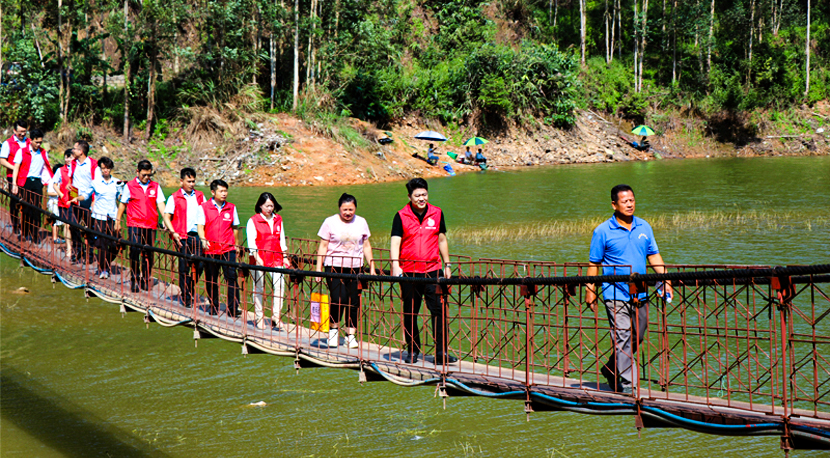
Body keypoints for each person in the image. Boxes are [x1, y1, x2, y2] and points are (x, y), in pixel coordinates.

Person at [585, 184, 672, 394]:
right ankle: (631, 386)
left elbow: (653, 256)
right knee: (622, 336)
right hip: (615, 293)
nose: (629, 204)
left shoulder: (644, 227)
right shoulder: (602, 231)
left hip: (640, 292)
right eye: (624, 201)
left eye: (632, 200)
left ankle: (610, 368)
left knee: (637, 336)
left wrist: (666, 279)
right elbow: (594, 263)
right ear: (614, 204)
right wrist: (590, 289)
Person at [390, 178, 456, 365]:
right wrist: (395, 264)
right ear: (409, 196)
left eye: (424, 195)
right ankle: (412, 350)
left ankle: (441, 352)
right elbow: (395, 241)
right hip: (409, 272)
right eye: (417, 195)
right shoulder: (401, 215)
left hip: (433, 271)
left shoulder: (437, 213)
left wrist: (448, 264)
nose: (421, 198)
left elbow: (441, 240)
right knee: (410, 313)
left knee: (439, 311)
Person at [314, 193, 375, 348]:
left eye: (351, 209)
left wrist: (372, 267)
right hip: (334, 266)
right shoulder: (330, 222)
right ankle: (333, 332)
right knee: (338, 298)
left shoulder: (361, 222)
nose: (348, 213)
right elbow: (323, 245)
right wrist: (318, 268)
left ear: (355, 208)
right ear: (339, 208)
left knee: (353, 302)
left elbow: (366, 246)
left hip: (356, 267)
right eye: (345, 209)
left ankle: (350, 335)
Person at [116, 160, 166, 292]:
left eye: (149, 175)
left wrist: (165, 219)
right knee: (134, 252)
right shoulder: (130, 186)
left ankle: (145, 278)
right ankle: (134, 278)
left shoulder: (155, 186)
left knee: (148, 253)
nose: (146, 178)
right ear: (137, 172)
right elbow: (122, 204)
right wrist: (117, 221)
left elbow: (161, 204)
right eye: (144, 175)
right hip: (135, 224)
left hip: (150, 225)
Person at [196, 179, 241, 318]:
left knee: (232, 278)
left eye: (225, 191)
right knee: (211, 279)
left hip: (228, 248)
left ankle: (233, 307)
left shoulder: (231, 208)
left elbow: (235, 228)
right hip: (211, 249)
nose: (224, 194)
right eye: (221, 191)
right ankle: (214, 305)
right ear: (213, 192)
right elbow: (200, 227)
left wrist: (237, 245)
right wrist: (203, 240)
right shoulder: (204, 207)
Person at [162, 168, 206, 308]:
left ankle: (189, 287)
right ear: (181, 181)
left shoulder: (200, 196)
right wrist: (173, 232)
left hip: (198, 235)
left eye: (193, 181)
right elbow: (167, 216)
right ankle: (186, 296)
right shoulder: (174, 197)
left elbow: (206, 212)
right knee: (184, 266)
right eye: (189, 181)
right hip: (182, 236)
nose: (192, 184)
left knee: (200, 265)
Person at [246, 192, 290, 329]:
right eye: (267, 206)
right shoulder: (253, 221)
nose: (270, 209)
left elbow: (281, 238)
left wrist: (285, 256)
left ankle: (276, 316)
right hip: (259, 257)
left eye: (272, 205)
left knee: (280, 285)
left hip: (276, 256)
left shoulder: (278, 219)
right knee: (259, 287)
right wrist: (257, 258)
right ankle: (259, 317)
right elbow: (251, 242)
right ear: (260, 205)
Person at [11, 129, 54, 242]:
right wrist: (14, 184)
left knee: (36, 209)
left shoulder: (43, 152)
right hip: (25, 181)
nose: (38, 144)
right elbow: (16, 167)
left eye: (40, 142)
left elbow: (47, 167)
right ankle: (25, 232)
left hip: (37, 182)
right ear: (31, 140)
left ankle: (35, 234)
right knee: (25, 208)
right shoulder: (22, 151)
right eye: (36, 142)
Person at [67, 140, 99, 264]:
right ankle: (78, 250)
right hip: (75, 197)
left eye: (74, 149)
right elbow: (71, 177)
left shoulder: (92, 164)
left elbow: (96, 184)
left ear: (81, 152)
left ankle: (90, 254)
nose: (72, 150)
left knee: (89, 228)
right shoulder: (73, 163)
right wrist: (69, 184)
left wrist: (94, 201)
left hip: (87, 199)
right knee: (72, 225)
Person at [88, 157, 120, 279]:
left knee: (115, 243)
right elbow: (86, 194)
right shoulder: (95, 182)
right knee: (101, 244)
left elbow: (120, 198)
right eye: (103, 168)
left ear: (111, 169)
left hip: (112, 216)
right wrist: (76, 197)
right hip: (99, 216)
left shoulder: (116, 183)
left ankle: (106, 262)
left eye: (107, 168)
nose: (105, 171)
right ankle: (103, 269)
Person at [1, 120, 29, 233]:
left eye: (24, 131)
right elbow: (2, 160)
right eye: (20, 132)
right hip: (13, 175)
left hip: (26, 176)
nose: (22, 134)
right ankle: (15, 224)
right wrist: (15, 169)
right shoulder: (8, 143)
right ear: (14, 130)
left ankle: (26, 226)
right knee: (15, 199)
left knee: (27, 200)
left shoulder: (29, 142)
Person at [50, 149, 76, 257]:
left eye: (71, 157)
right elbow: (55, 184)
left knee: (73, 225)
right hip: (63, 201)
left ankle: (75, 247)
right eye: (67, 157)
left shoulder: (77, 170)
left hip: (74, 201)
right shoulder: (60, 170)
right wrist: (61, 194)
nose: (68, 159)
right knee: (66, 225)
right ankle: (69, 248)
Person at [46, 162, 65, 244]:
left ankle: (56, 236)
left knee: (58, 221)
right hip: (53, 203)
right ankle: (55, 238)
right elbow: (49, 192)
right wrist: (59, 193)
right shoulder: (52, 181)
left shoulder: (60, 181)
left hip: (58, 203)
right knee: (56, 221)